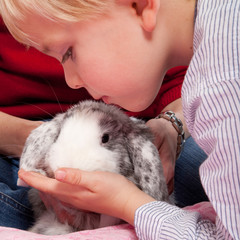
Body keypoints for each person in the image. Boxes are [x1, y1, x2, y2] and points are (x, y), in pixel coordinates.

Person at [2, 0, 236, 238]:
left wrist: (127, 203)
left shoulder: (224, 87)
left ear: (140, 5)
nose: (71, 81)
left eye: (68, 53)